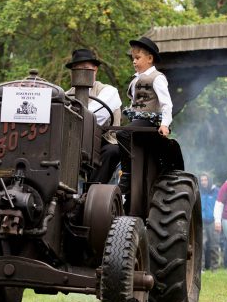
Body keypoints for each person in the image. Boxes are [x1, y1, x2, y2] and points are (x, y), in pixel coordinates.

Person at [117, 36, 172, 194]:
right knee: (116, 142)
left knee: (123, 133)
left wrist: (164, 124)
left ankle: (127, 175)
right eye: (133, 58)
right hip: (138, 121)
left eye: (137, 58)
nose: (134, 61)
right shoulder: (135, 81)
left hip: (150, 122)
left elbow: (166, 103)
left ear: (149, 58)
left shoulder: (157, 78)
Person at [65, 49, 122, 184]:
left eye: (85, 68)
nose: (81, 72)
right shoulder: (66, 94)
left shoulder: (109, 91)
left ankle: (92, 192)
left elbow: (95, 117)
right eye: (76, 69)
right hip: (74, 141)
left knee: (111, 152)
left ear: (95, 69)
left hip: (104, 141)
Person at [199, 172, 220, 271]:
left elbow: (221, 207)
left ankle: (214, 268)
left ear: (209, 180)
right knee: (201, 245)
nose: (203, 182)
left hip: (213, 221)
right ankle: (201, 268)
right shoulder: (198, 192)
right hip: (201, 222)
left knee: (214, 245)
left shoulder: (217, 191)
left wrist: (219, 220)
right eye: (202, 180)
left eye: (205, 180)